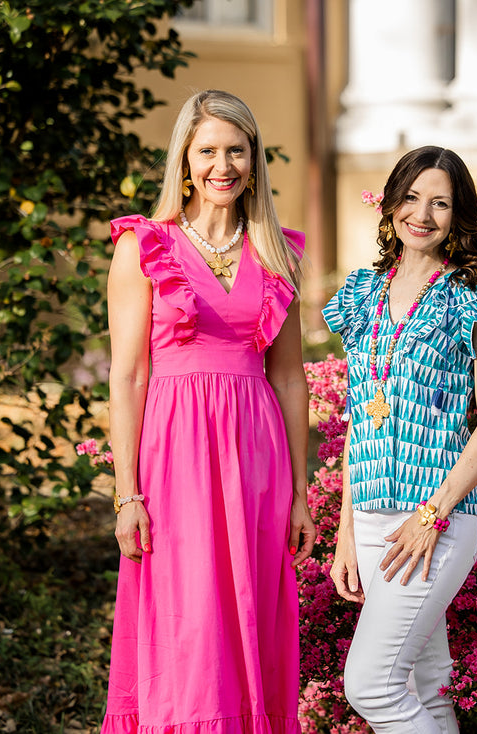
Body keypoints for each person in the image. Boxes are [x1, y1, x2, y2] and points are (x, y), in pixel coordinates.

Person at [102, 89, 316, 734]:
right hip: (174, 460)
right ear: (185, 161)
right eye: (208, 151)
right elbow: (128, 374)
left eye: (236, 150)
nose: (223, 165)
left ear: (254, 160)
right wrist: (125, 494)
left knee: (249, 613)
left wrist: (302, 494)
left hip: (257, 459)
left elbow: (288, 377)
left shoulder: (278, 252)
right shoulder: (145, 246)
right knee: (188, 622)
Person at [322, 146, 477, 734]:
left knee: (371, 685)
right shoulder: (362, 291)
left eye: (440, 202)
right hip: (369, 517)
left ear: (458, 215)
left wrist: (430, 517)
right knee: (424, 681)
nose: (423, 213)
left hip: (434, 517)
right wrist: (345, 531)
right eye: (412, 197)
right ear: (390, 204)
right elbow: (358, 420)